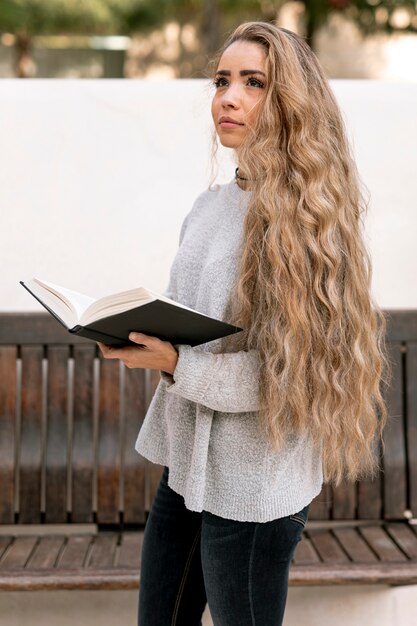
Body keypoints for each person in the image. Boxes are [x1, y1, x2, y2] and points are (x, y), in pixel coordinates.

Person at [98, 21, 389, 626]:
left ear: (290, 103)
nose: (227, 97)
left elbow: (285, 380)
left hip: (254, 489)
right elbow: (191, 323)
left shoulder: (306, 223)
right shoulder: (208, 206)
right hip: (185, 470)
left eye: (253, 82)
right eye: (222, 80)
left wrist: (176, 364)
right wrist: (134, 331)